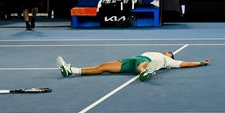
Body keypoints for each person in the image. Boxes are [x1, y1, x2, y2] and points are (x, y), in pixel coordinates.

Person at [56, 50, 209, 81]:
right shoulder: (159, 53)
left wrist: (201, 62)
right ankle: (72, 70)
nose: (166, 51)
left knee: (143, 65)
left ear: (170, 56)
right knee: (103, 66)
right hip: (131, 60)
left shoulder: (170, 61)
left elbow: (187, 63)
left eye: (168, 52)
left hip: (145, 63)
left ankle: (144, 73)